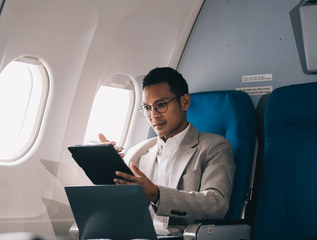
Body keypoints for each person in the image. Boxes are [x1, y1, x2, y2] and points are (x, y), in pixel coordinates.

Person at [99, 67, 235, 236]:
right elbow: (117, 204)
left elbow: (216, 204)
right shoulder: (137, 152)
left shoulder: (214, 147)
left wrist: (157, 195)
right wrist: (105, 163)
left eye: (161, 105)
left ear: (184, 102)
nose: (153, 115)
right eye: (147, 108)